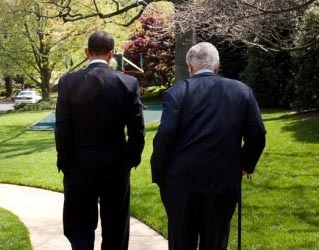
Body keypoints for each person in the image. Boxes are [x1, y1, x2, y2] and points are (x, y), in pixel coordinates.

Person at [151, 42, 266, 250]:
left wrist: (159, 173)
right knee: (215, 243)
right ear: (217, 65)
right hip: (222, 179)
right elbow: (257, 134)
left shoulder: (177, 92)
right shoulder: (242, 91)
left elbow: (166, 134)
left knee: (181, 243)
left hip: (181, 182)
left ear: (190, 66)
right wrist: (245, 164)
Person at [55, 31, 145, 250]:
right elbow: (137, 130)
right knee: (116, 227)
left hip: (79, 164)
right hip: (115, 165)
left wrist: (65, 162)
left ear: (87, 52)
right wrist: (130, 160)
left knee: (80, 227)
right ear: (112, 53)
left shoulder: (68, 82)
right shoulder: (128, 83)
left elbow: (62, 128)